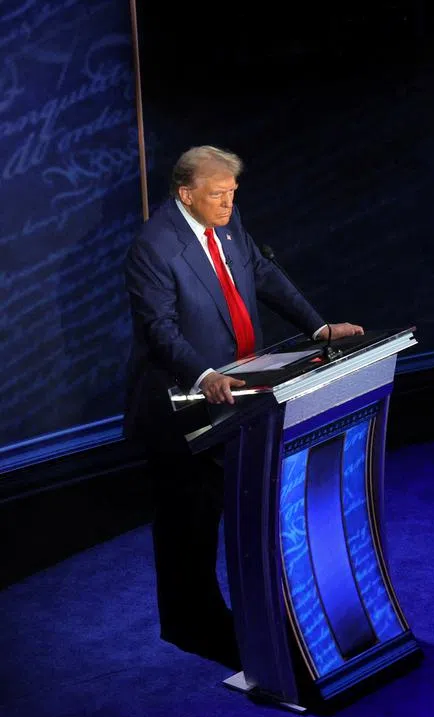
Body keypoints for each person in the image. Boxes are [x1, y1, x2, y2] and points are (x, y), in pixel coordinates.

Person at [124, 145, 363, 669]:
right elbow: (159, 329)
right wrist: (204, 375)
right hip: (181, 406)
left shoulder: (229, 222)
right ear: (186, 194)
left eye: (233, 193)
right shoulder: (154, 247)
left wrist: (318, 327)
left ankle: (238, 618)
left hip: (239, 398)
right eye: (218, 195)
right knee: (189, 520)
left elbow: (263, 274)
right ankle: (191, 624)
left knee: (231, 503)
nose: (228, 204)